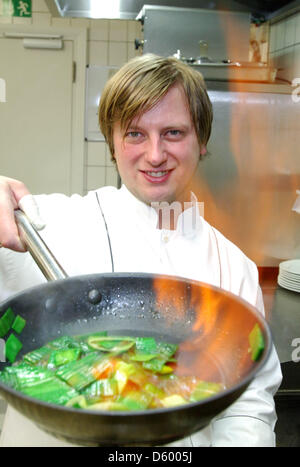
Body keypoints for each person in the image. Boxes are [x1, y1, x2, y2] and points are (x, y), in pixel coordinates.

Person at [0, 54, 282, 447]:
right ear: (112, 144)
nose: (154, 155)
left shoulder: (233, 267)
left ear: (201, 141)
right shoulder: (41, 225)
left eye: (173, 133)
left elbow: (247, 405)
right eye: (134, 133)